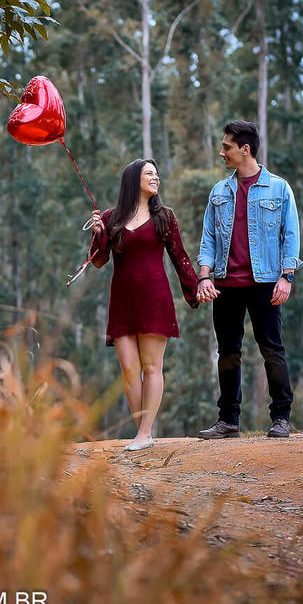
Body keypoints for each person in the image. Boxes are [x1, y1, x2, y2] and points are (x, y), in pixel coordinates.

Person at [195, 120, 302, 440]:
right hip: (225, 285)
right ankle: (228, 420)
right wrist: (204, 278)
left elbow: (291, 236)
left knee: (272, 350)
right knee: (228, 353)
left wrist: (286, 277)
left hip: (265, 283)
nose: (222, 152)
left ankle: (281, 418)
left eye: (226, 147)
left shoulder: (279, 188)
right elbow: (208, 239)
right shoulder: (219, 192)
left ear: (245, 149)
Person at [89, 158, 200, 451]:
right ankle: (143, 433)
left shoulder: (164, 217)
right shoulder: (111, 217)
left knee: (151, 367)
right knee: (129, 370)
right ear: (133, 180)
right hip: (122, 302)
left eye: (156, 173)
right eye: (149, 173)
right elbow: (99, 261)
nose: (156, 177)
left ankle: (144, 433)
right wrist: (99, 234)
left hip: (154, 299)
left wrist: (196, 288)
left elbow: (180, 256)